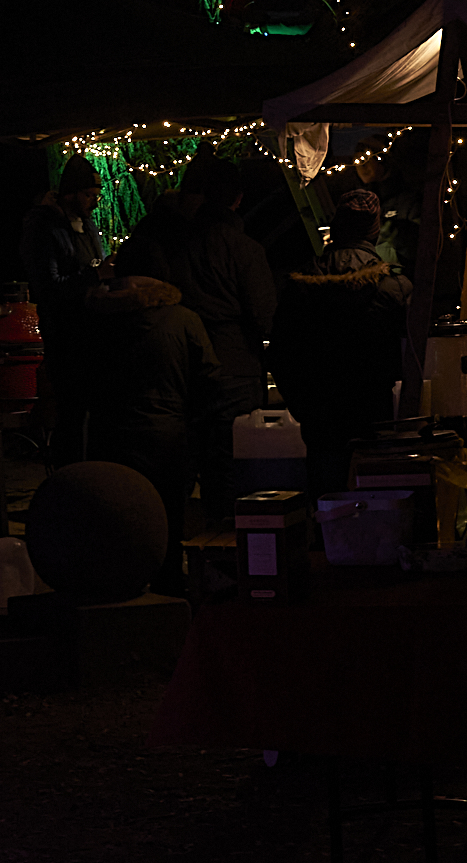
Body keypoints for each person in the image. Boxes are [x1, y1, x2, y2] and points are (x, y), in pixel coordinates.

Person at [114, 156, 277, 521]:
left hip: (185, 365)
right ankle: (232, 539)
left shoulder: (173, 244)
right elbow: (265, 314)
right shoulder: (244, 249)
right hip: (236, 367)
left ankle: (190, 534)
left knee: (194, 459)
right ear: (237, 199)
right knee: (234, 464)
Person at [83, 275, 227, 595]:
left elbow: (78, 380)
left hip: (111, 434)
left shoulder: (98, 325)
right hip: (166, 434)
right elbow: (210, 377)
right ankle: (168, 581)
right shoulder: (183, 319)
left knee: (117, 512)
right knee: (168, 513)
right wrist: (193, 420)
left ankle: (120, 583)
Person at [270, 188, 411, 498]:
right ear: (374, 231)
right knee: (379, 502)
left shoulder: (300, 286)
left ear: (336, 227)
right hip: (375, 414)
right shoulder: (394, 288)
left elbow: (280, 353)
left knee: (328, 503)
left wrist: (302, 406)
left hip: (320, 415)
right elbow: (411, 358)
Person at [19, 155, 106, 462]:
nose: (94, 202)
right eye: (89, 195)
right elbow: (49, 286)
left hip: (93, 333)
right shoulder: (44, 227)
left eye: (96, 196)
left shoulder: (87, 225)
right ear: (71, 194)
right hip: (66, 336)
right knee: (72, 410)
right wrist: (94, 276)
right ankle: (70, 471)